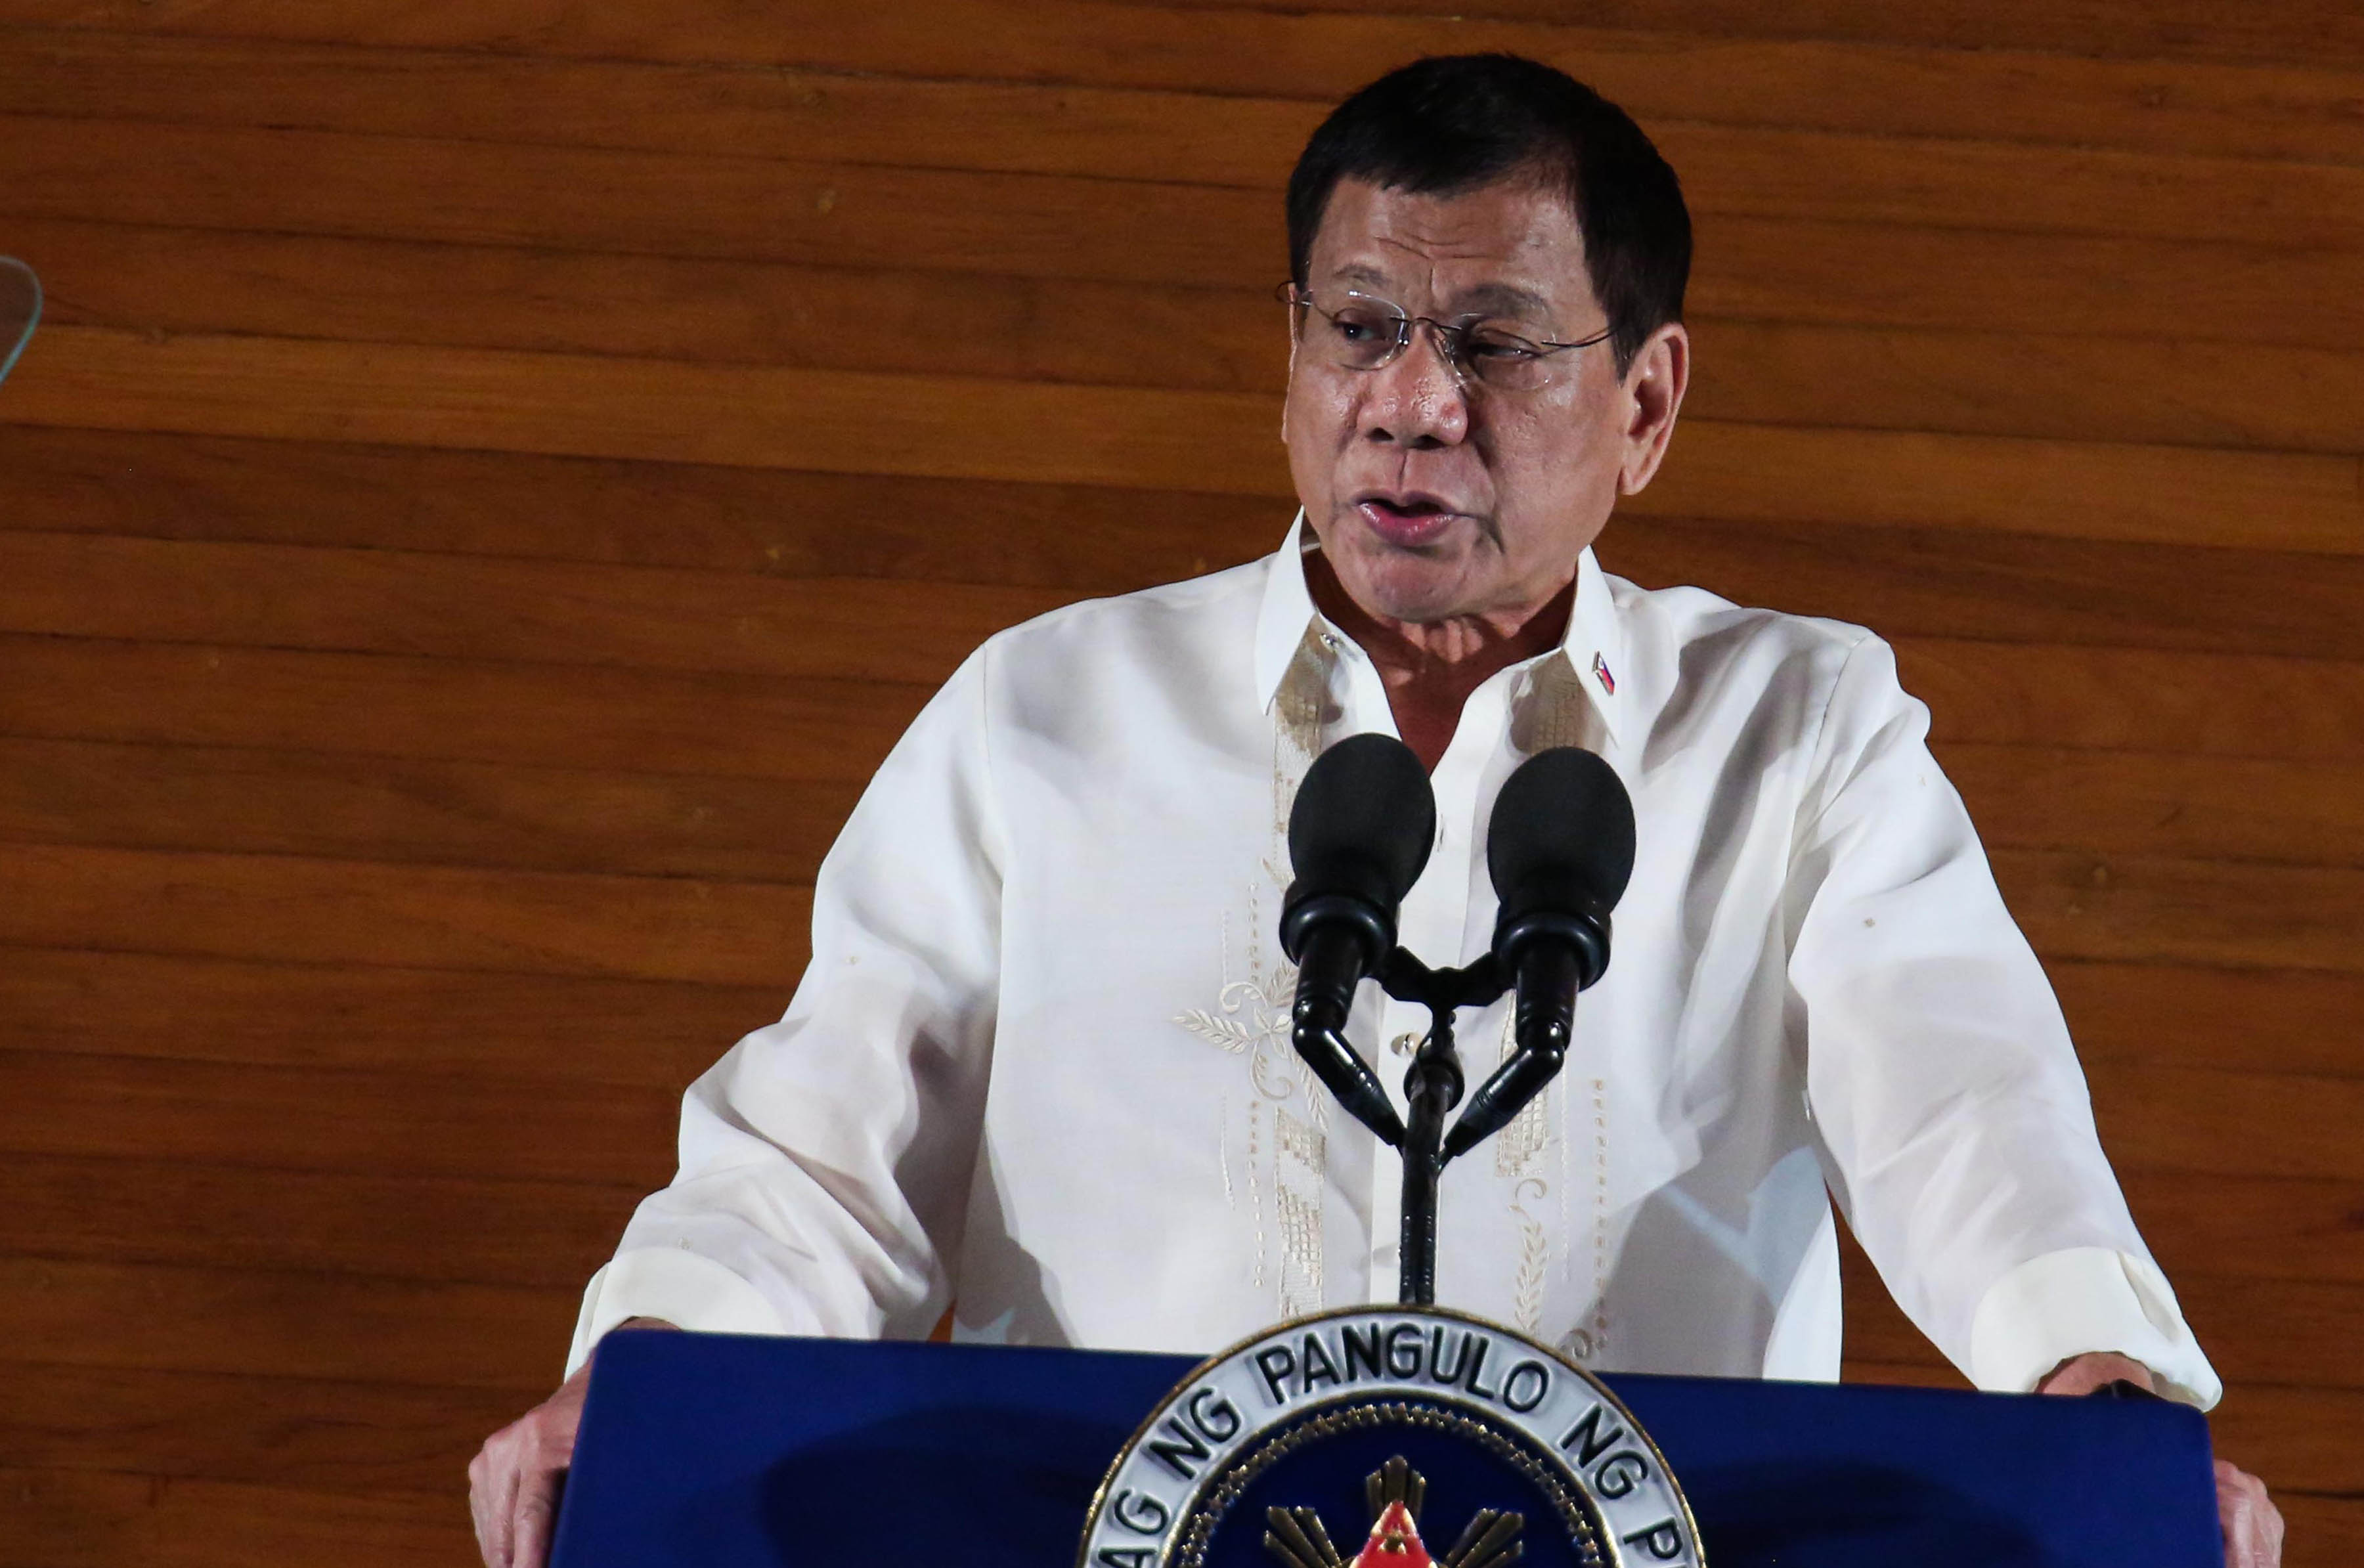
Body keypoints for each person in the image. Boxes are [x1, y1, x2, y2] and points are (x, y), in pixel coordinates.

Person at [469, 54, 2283, 1568]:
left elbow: (1965, 1100)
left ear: (1645, 401)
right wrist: (648, 1375)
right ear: (1289, 362)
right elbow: (823, 1154)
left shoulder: (1798, 730)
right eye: (1359, 327)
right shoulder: (1047, 713)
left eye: (1494, 343)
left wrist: (2101, 1386)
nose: (1409, 407)